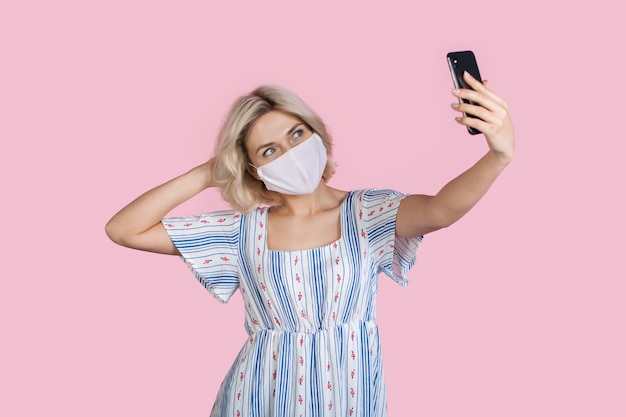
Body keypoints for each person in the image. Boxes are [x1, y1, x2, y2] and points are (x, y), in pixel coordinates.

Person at [106, 72, 515, 416]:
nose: (291, 152)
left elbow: (441, 210)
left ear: (315, 131)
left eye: (297, 134)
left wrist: (498, 155)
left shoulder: (366, 213)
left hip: (352, 400)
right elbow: (125, 229)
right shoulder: (241, 232)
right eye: (270, 150)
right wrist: (207, 172)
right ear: (255, 169)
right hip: (256, 400)